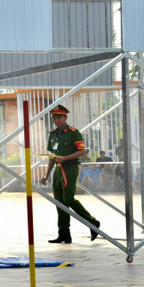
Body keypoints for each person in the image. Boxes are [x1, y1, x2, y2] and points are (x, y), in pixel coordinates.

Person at [39, 105, 101, 244]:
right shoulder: (53, 134)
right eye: (54, 117)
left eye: (59, 117)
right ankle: (64, 234)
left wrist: (65, 158)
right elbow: (52, 156)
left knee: (68, 199)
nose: (57, 120)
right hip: (57, 169)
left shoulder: (73, 133)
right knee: (59, 202)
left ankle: (92, 222)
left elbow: (82, 152)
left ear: (66, 117)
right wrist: (47, 175)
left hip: (70, 168)